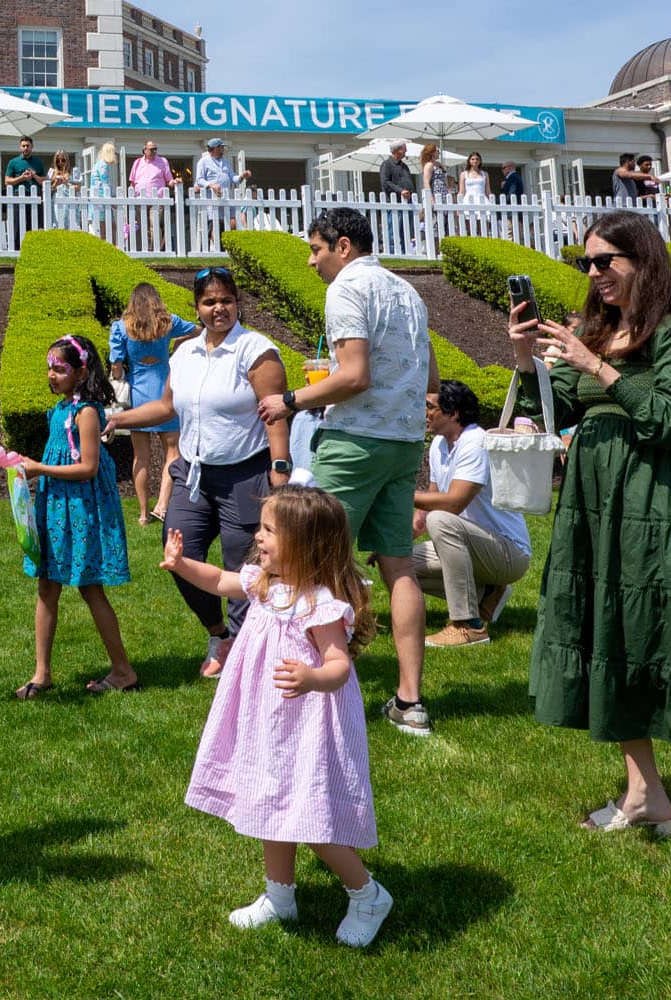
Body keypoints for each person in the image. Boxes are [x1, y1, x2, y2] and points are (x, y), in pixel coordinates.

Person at [508, 210, 671, 838]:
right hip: (594, 506)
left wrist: (595, 364)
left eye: (607, 260)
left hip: (650, 508)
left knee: (647, 632)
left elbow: (667, 418)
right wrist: (528, 362)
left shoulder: (670, 333)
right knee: (611, 633)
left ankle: (646, 795)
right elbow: (546, 412)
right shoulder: (600, 330)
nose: (595, 273)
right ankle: (645, 794)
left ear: (643, 260)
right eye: (588, 262)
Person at [165, 485, 391, 948]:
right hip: (267, 717)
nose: (259, 536)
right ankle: (279, 896)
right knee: (270, 799)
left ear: (306, 545)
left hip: (307, 721)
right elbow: (221, 581)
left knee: (308, 816)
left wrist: (311, 677)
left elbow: (339, 665)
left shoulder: (319, 602)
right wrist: (182, 565)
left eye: (270, 530)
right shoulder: (264, 583)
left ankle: (367, 894)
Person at [257, 208, 440, 736]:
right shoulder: (408, 291)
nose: (312, 261)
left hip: (356, 441)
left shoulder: (345, 289)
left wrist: (289, 400)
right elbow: (429, 374)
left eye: (315, 250)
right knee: (399, 567)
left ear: (341, 245)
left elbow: (354, 376)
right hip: (405, 442)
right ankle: (410, 702)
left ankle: (305, 686)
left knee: (309, 559)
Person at [110, 267, 291, 678]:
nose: (218, 309)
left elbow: (275, 417)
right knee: (179, 554)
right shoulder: (185, 352)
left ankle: (246, 657)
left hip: (245, 475)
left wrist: (279, 477)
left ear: (237, 303)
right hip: (193, 475)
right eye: (209, 302)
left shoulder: (256, 351)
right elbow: (167, 407)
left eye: (226, 300)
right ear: (197, 308)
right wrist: (120, 420)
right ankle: (219, 634)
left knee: (244, 567)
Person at [15, 335, 134, 699]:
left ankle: (123, 670)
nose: (51, 374)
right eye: (49, 368)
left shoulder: (85, 413)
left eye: (59, 368)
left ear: (81, 372)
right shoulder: (60, 411)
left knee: (88, 586)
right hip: (56, 508)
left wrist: (40, 468)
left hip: (81, 509)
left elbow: (87, 467)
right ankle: (42, 673)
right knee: (47, 586)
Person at [411, 380, 532, 647]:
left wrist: (403, 495)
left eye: (430, 407)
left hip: (508, 552)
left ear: (453, 413)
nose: (425, 413)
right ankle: (487, 594)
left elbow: (453, 503)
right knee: (399, 566)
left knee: (441, 520)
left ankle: (469, 625)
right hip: (472, 546)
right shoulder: (438, 446)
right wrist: (393, 546)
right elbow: (427, 506)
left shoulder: (476, 441)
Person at [107, 282, 193, 526]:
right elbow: (199, 330)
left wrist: (117, 372)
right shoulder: (168, 322)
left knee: (141, 457)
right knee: (172, 453)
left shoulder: (121, 327)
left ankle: (144, 514)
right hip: (167, 390)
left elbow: (116, 366)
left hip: (137, 394)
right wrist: (178, 344)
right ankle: (163, 504)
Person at [194, 138, 250, 246]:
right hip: (211, 200)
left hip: (226, 198)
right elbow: (199, 180)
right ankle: (210, 250)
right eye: (221, 147)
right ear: (215, 148)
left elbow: (233, 177)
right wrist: (211, 185)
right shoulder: (203, 162)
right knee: (212, 226)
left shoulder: (225, 162)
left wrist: (242, 176)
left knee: (232, 223)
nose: (223, 149)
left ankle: (224, 248)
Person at [130, 139, 177, 249]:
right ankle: (143, 250)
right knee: (142, 227)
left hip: (157, 199)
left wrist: (174, 182)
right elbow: (132, 181)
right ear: (144, 150)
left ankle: (155, 251)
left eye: (155, 149)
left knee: (154, 226)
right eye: (151, 149)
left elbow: (169, 180)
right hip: (140, 199)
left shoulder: (162, 161)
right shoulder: (137, 163)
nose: (154, 151)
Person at [3, 135, 46, 251]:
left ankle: (33, 250)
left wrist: (34, 175)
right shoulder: (13, 162)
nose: (26, 148)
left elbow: (44, 182)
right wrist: (21, 178)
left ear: (32, 147)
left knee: (34, 225)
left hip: (34, 196)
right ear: (20, 147)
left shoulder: (38, 162)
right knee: (17, 224)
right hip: (18, 196)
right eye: (23, 146)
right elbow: (7, 181)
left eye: (28, 146)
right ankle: (16, 250)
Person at [378, 141, 416, 255]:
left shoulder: (404, 166)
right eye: (404, 149)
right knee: (392, 231)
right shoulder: (387, 164)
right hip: (394, 203)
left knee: (405, 231)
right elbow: (385, 182)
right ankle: (391, 252)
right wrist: (400, 191)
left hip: (406, 203)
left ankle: (405, 253)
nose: (406, 151)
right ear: (398, 150)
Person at [87, 142, 118, 243]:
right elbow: (105, 184)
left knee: (104, 229)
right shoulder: (103, 166)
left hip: (97, 201)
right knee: (107, 230)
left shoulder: (98, 164)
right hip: (101, 203)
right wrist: (111, 200)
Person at [457, 151, 490, 235]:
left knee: (484, 229)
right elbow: (461, 191)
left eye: (477, 159)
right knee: (470, 230)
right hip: (468, 201)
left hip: (482, 200)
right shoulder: (464, 174)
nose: (475, 161)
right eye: (472, 159)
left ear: (480, 161)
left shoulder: (485, 174)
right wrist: (458, 206)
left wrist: (491, 202)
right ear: (469, 161)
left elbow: (488, 190)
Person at [48, 150, 81, 230]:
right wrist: (55, 185)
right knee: (58, 225)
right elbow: (46, 190)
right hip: (56, 202)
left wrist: (66, 183)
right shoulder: (52, 172)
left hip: (71, 201)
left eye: (63, 160)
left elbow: (78, 188)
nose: (60, 162)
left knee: (72, 225)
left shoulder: (74, 171)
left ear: (67, 160)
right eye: (58, 160)